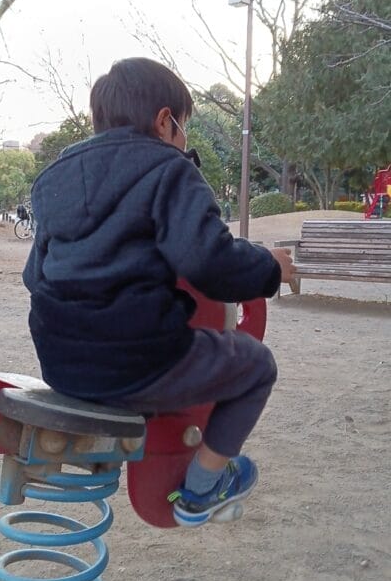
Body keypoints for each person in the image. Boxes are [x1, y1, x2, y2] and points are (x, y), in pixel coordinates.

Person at [23, 57, 295, 528]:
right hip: (137, 362)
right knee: (255, 365)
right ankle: (203, 489)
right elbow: (206, 259)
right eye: (185, 126)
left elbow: (34, 276)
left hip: (60, 365)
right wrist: (269, 267)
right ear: (165, 121)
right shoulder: (168, 168)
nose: (184, 140)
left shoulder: (54, 178)